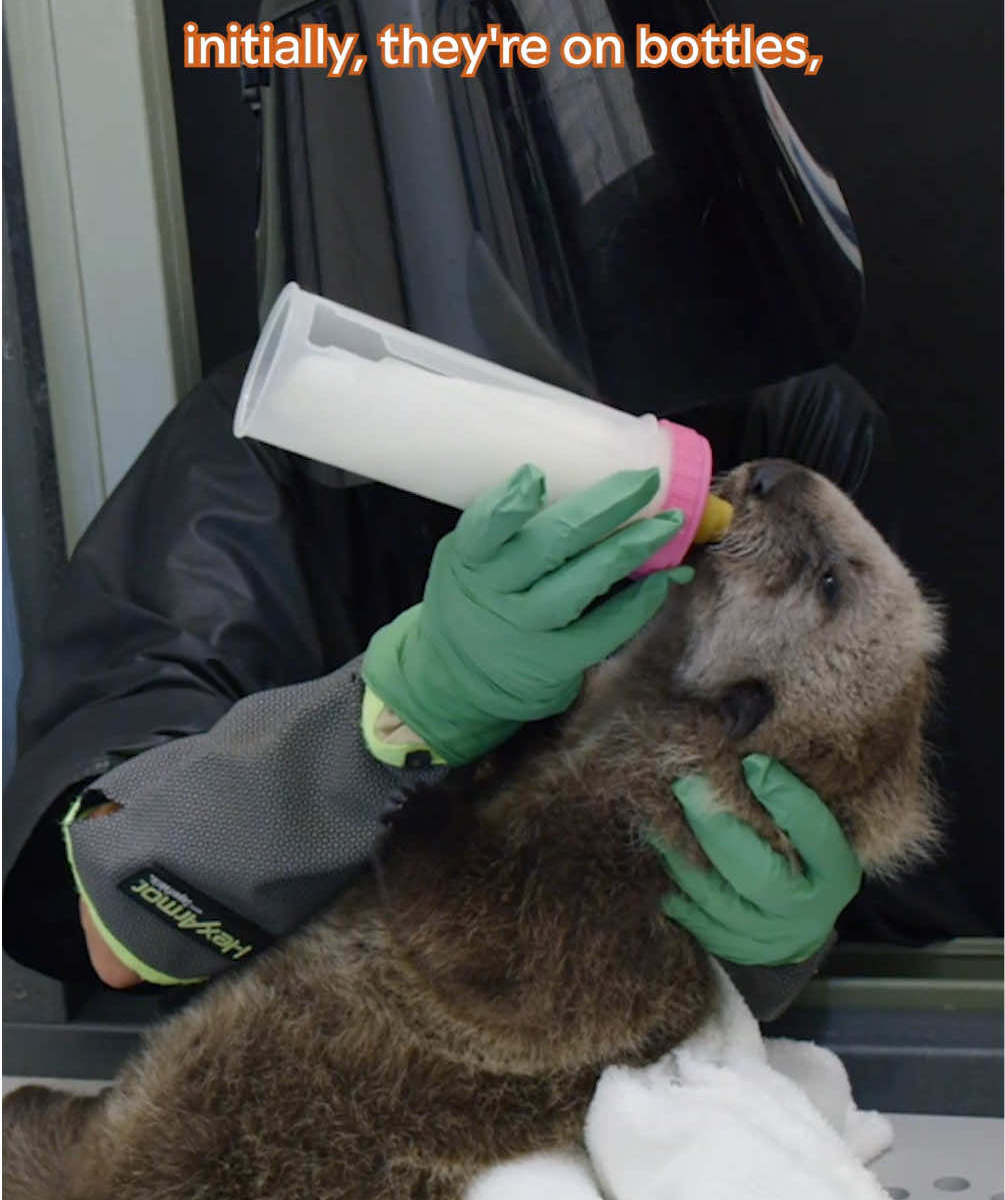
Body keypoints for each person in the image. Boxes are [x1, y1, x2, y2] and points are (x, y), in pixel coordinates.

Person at [2, 356, 893, 1021]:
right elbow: (105, 911)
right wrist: (398, 715)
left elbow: (845, 805)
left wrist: (773, 946)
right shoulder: (282, 436)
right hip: (296, 1058)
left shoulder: (781, 423)